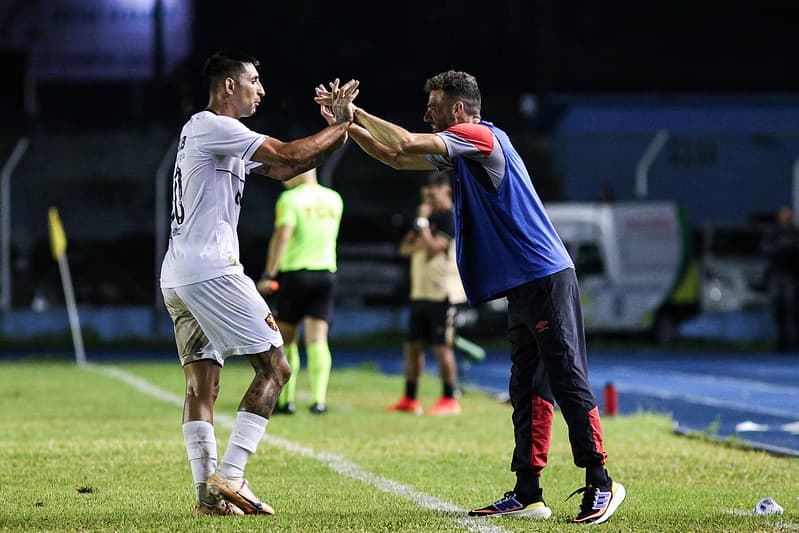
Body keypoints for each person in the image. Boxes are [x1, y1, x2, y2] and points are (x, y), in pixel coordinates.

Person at [316, 70, 625, 524]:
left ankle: (602, 482)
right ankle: (528, 493)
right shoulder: (463, 152)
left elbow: (403, 141)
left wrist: (354, 112)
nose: (427, 114)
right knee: (527, 388)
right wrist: (347, 127)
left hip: (544, 276)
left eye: (434, 106)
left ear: (458, 110)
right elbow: (396, 159)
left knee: (565, 377)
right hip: (523, 283)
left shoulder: (479, 137)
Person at [159, 51, 356, 517]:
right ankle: (232, 474)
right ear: (229, 86)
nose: (260, 89)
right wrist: (343, 124)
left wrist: (335, 131)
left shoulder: (203, 133)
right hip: (213, 269)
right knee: (276, 369)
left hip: (179, 272)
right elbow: (289, 153)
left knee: (201, 388)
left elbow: (287, 169)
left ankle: (208, 496)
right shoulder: (216, 126)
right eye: (253, 80)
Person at [256, 167, 343, 415]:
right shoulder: (334, 199)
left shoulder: (290, 200)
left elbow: (282, 237)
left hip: (295, 274)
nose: (283, 179)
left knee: (287, 339)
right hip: (326, 272)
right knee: (318, 339)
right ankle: (319, 401)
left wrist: (269, 274)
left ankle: (287, 401)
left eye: (286, 173)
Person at [387, 171, 467, 416]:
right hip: (419, 293)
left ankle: (449, 398)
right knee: (412, 347)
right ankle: (410, 398)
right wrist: (422, 229)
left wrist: (422, 225)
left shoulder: (449, 217)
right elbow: (404, 248)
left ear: (446, 192)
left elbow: (433, 248)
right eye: (426, 198)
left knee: (442, 348)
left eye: (432, 197)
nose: (428, 203)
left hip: (443, 294)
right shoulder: (427, 220)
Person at [762, 204, 799, 352]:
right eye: (783, 213)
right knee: (778, 309)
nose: (785, 216)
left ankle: (793, 342)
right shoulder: (773, 233)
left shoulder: (795, 234)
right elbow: (765, 249)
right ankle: (782, 341)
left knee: (792, 310)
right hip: (776, 277)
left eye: (788, 213)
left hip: (792, 277)